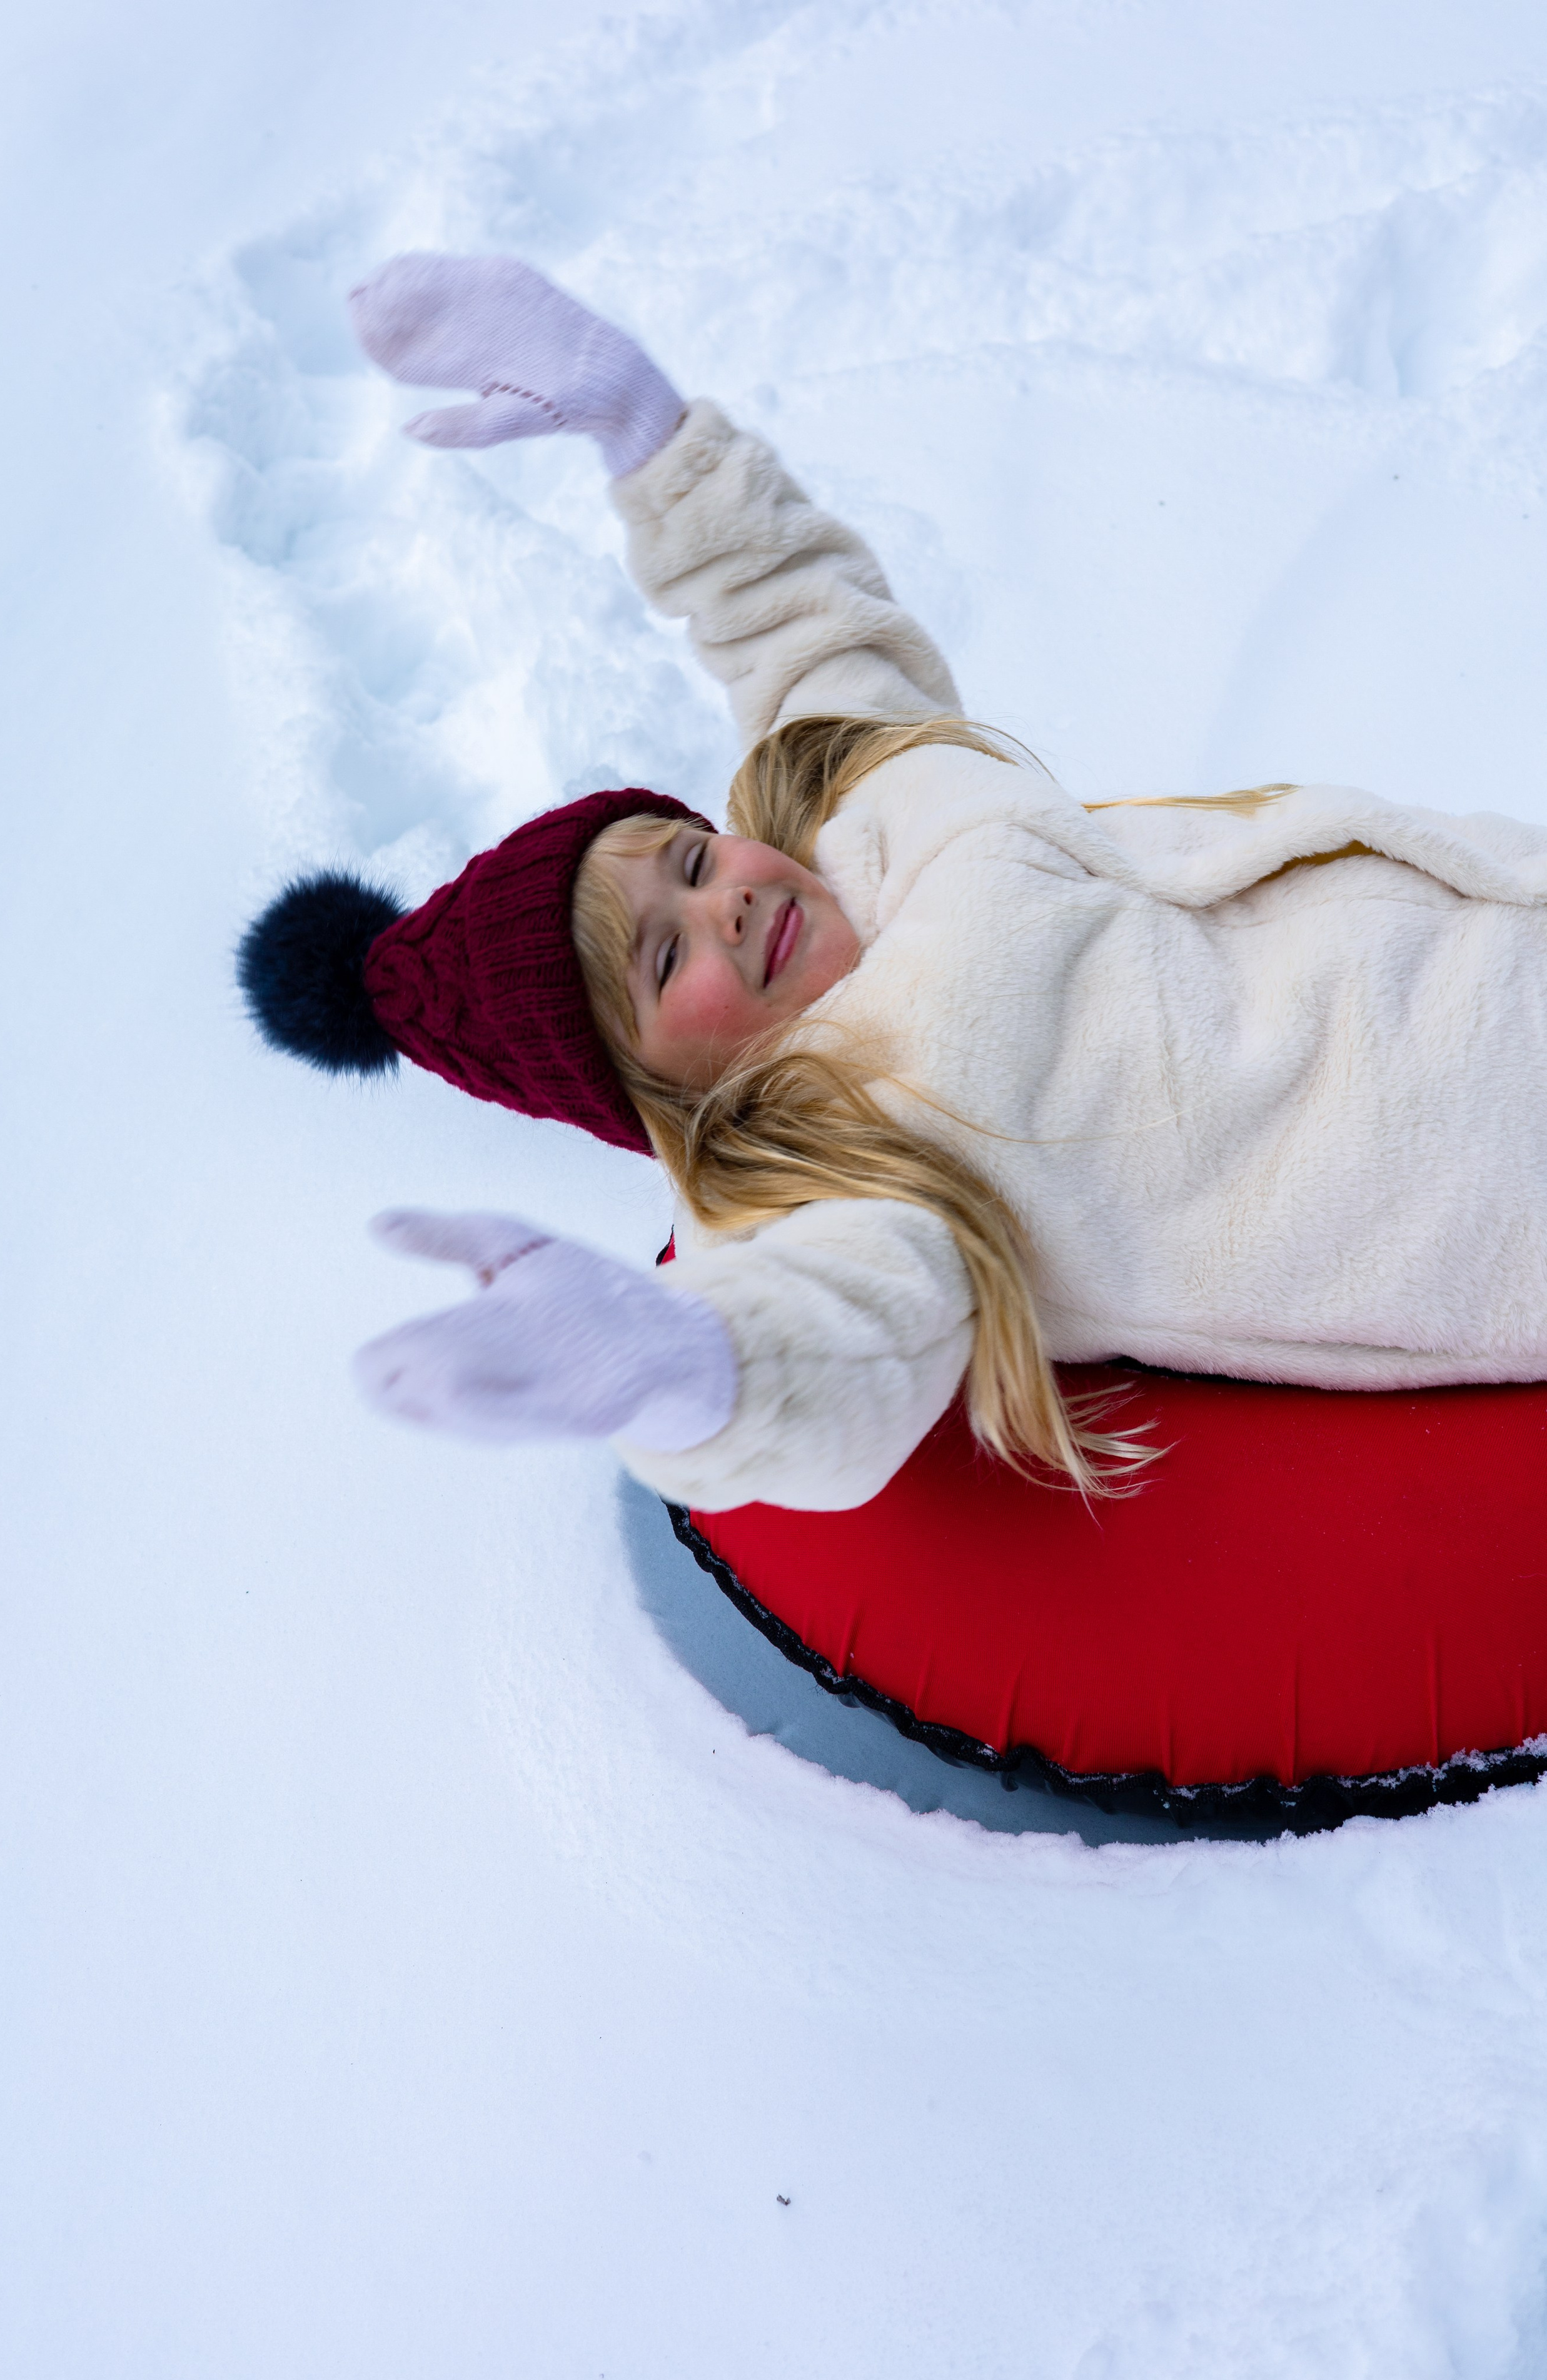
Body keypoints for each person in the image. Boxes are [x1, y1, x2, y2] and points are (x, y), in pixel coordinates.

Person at [238, 253, 1547, 1514]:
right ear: (658, 1089)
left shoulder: (855, 809)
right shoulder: (835, 1150)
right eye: (663, 959)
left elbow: (783, 611)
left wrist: (643, 429)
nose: (722, 905)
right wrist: (688, 1367)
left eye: (690, 861)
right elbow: (846, 1329)